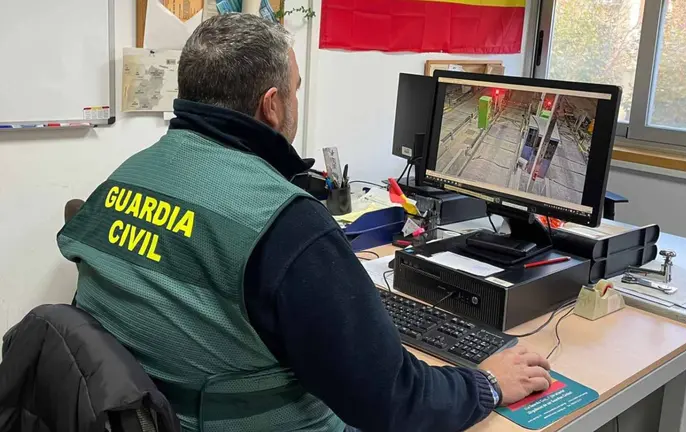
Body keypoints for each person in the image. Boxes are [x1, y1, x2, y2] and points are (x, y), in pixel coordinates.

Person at [58, 14, 552, 432]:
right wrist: (485, 383)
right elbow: (392, 398)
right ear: (271, 105)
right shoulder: (286, 224)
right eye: (295, 90)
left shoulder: (127, 176)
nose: (296, 101)